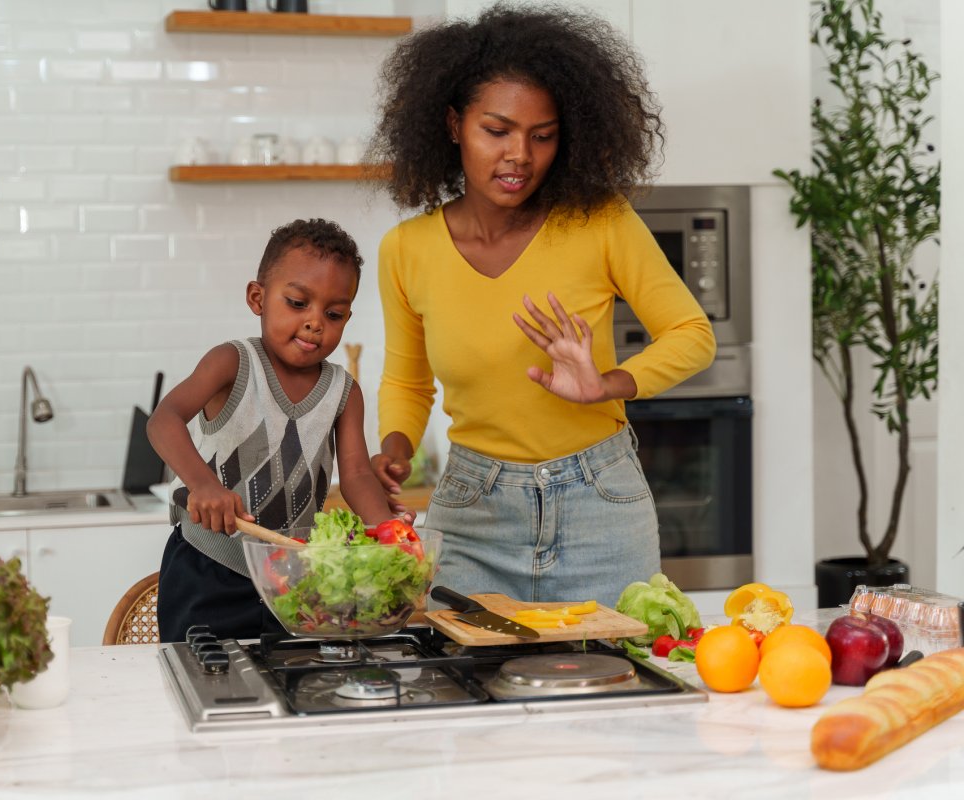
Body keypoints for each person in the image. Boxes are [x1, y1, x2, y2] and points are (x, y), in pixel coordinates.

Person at [365, 2, 716, 607]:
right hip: (473, 515)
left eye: (542, 135)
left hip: (599, 505)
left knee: (617, 689)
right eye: (496, 130)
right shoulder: (407, 249)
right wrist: (394, 449)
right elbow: (408, 379)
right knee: (470, 689)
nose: (520, 155)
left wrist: (608, 383)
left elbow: (692, 334)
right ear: (454, 125)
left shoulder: (601, 222)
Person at [147, 218, 404, 642]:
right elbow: (164, 420)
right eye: (298, 303)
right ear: (257, 298)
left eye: (334, 313)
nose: (315, 322)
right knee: (204, 681)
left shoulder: (344, 390)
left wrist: (390, 534)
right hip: (208, 566)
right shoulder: (231, 362)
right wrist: (204, 485)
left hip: (293, 577)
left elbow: (357, 475)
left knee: (291, 683)